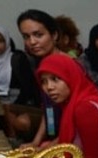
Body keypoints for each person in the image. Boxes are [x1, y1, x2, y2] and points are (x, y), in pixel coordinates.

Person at [0, 25, 39, 137]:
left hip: (20, 101)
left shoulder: (18, 58)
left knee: (9, 109)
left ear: (6, 40)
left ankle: (12, 137)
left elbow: (29, 87)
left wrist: (13, 105)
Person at [17, 9, 66, 148]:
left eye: (38, 35)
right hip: (56, 138)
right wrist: (35, 142)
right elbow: (47, 109)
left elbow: (78, 121)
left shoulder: (69, 66)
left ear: (54, 35)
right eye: (26, 36)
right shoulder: (43, 65)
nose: (32, 42)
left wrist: (47, 148)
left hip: (74, 143)